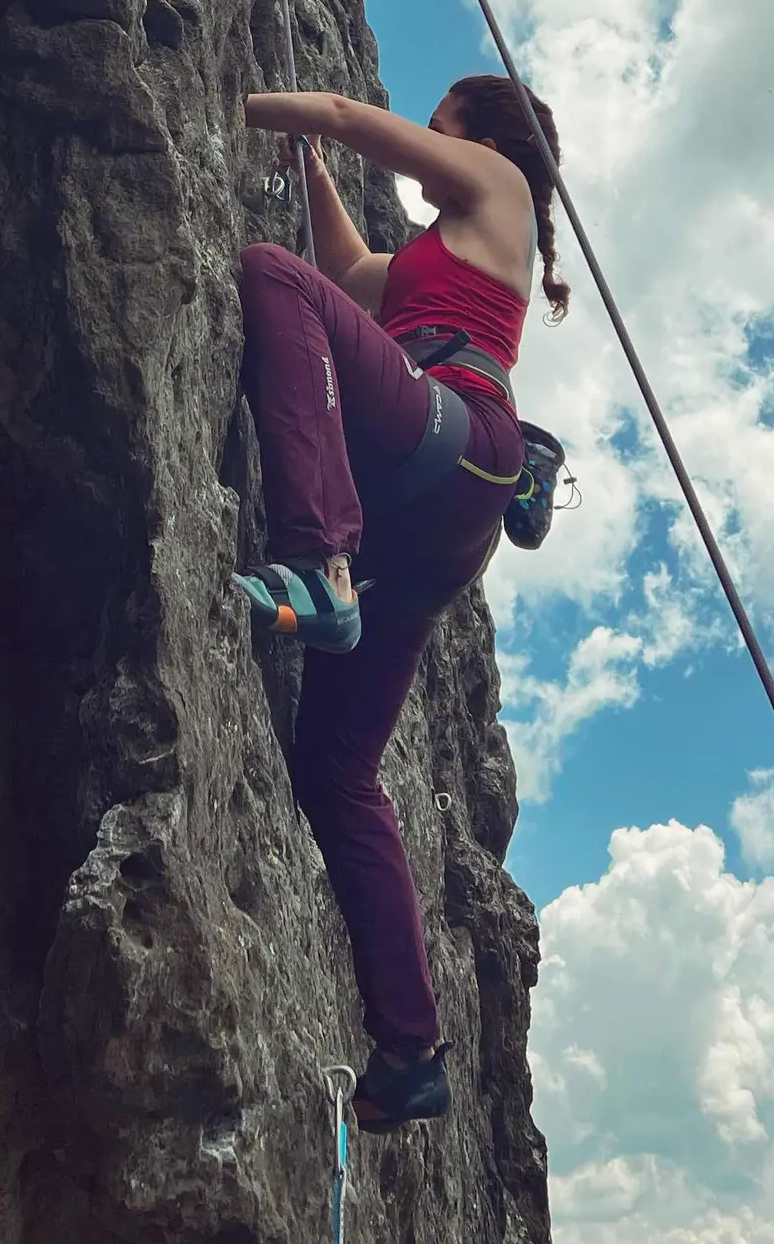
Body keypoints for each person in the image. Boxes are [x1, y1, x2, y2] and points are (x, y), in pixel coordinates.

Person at [234, 74, 569, 1131]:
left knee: (270, 274)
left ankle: (318, 563)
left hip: (453, 437)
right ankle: (410, 1051)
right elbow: (350, 276)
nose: (431, 137)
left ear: (482, 135)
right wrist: (311, 170)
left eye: (440, 124)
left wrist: (247, 104)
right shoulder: (444, 252)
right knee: (338, 772)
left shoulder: (499, 186)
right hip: (437, 516)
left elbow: (343, 116)